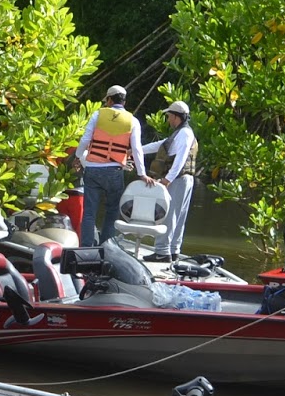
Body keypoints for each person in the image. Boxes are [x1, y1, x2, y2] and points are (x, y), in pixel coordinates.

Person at [74, 84, 152, 246]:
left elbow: (85, 139)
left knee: (89, 213)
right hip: (114, 171)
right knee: (111, 212)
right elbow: (137, 149)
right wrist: (142, 173)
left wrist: (78, 156)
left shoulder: (97, 115)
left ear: (109, 100)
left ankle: (86, 246)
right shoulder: (133, 121)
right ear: (124, 102)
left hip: (93, 169)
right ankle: (107, 247)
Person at [139, 99, 198, 262]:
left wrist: (167, 180)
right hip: (183, 179)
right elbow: (161, 145)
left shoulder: (184, 134)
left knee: (169, 214)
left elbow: (180, 159)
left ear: (176, 117)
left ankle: (162, 252)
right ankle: (173, 250)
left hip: (178, 179)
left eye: (169, 116)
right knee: (178, 216)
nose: (168, 119)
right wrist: (136, 151)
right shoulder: (180, 133)